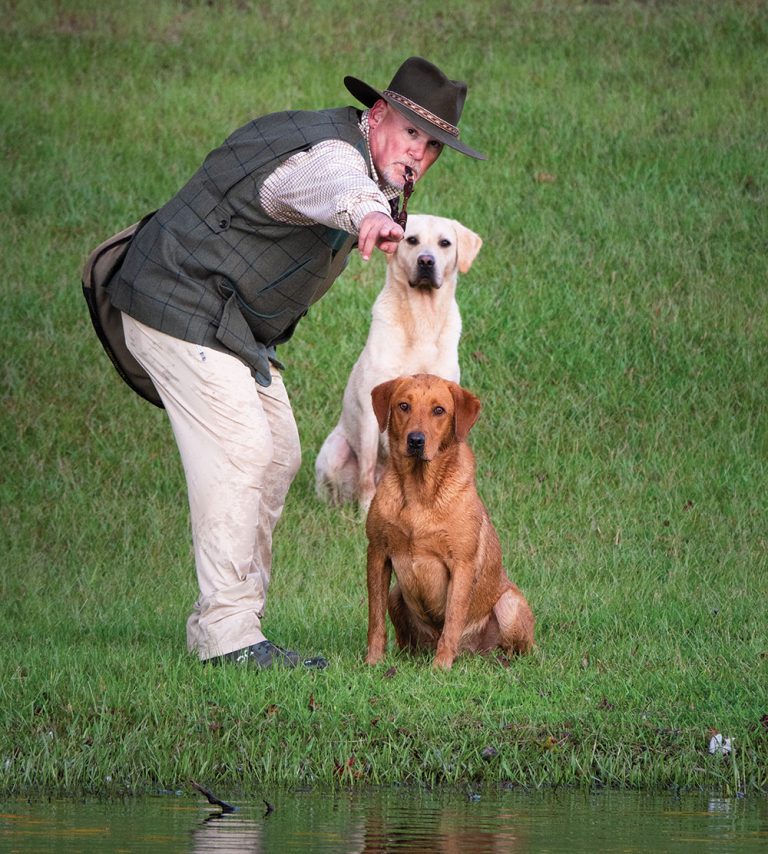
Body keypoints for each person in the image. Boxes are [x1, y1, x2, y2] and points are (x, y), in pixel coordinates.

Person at [108, 56, 485, 669]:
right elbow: (328, 183)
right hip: (175, 301)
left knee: (280, 449)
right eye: (412, 133)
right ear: (379, 115)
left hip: (231, 325)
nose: (420, 154)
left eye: (433, 145)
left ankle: (239, 620)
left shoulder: (378, 172)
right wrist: (366, 210)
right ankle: (226, 637)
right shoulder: (330, 154)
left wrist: (376, 205)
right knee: (242, 450)